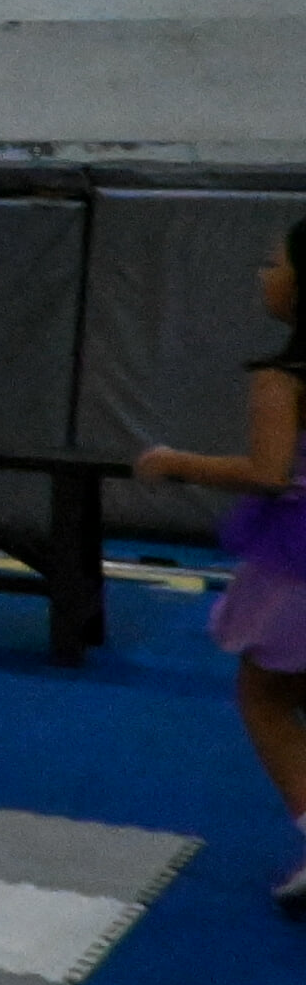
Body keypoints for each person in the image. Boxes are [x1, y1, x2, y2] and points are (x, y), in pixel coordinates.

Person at [136, 213, 306, 915]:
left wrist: (175, 462)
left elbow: (268, 472)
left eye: (274, 264)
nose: (264, 276)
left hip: (296, 556)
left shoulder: (282, 379)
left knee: (264, 693)